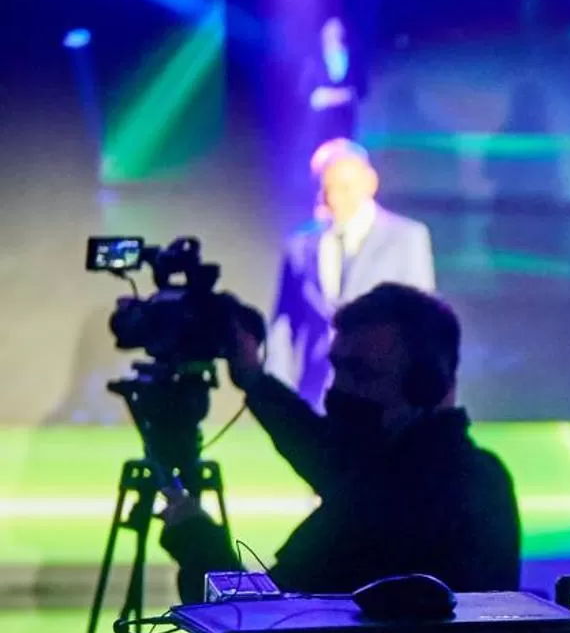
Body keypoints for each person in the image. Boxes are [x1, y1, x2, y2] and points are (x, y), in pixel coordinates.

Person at [160, 284, 521, 604]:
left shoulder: (388, 499)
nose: (339, 389)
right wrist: (254, 379)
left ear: (425, 385)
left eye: (361, 373)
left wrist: (195, 539)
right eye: (337, 369)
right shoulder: (469, 477)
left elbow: (260, 622)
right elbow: (325, 456)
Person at [268, 139, 437, 408]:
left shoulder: (406, 237)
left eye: (345, 188)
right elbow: (285, 323)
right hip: (316, 392)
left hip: (385, 389)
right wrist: (276, 386)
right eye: (327, 189)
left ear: (370, 183)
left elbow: (423, 320)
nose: (335, 198)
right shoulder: (301, 244)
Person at [301, 16, 366, 152]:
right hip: (319, 130)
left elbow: (362, 89)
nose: (332, 33)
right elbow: (305, 92)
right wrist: (324, 98)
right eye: (329, 30)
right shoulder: (313, 61)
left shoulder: (353, 58)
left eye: (336, 29)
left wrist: (344, 96)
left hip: (346, 127)